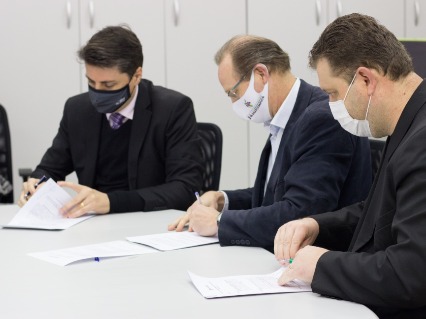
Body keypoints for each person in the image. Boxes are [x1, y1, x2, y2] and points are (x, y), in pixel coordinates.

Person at [274, 13, 426, 318]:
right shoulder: (409, 123)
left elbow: (410, 275)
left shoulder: (421, 143)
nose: (331, 106)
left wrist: (321, 266)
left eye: (333, 93)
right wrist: (317, 225)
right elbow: (382, 212)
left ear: (366, 80)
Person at [168, 35, 371, 252]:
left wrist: (219, 222)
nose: (234, 102)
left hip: (319, 262)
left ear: (261, 74)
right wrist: (222, 200)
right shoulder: (285, 116)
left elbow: (300, 212)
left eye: (234, 92)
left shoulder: (321, 118)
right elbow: (275, 194)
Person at [18, 25, 203, 217]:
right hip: (92, 225)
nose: (97, 92)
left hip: (150, 222)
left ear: (136, 76)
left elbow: (186, 189)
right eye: (91, 82)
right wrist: (36, 184)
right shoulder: (77, 109)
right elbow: (50, 168)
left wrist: (111, 202)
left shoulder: (173, 109)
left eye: (108, 85)